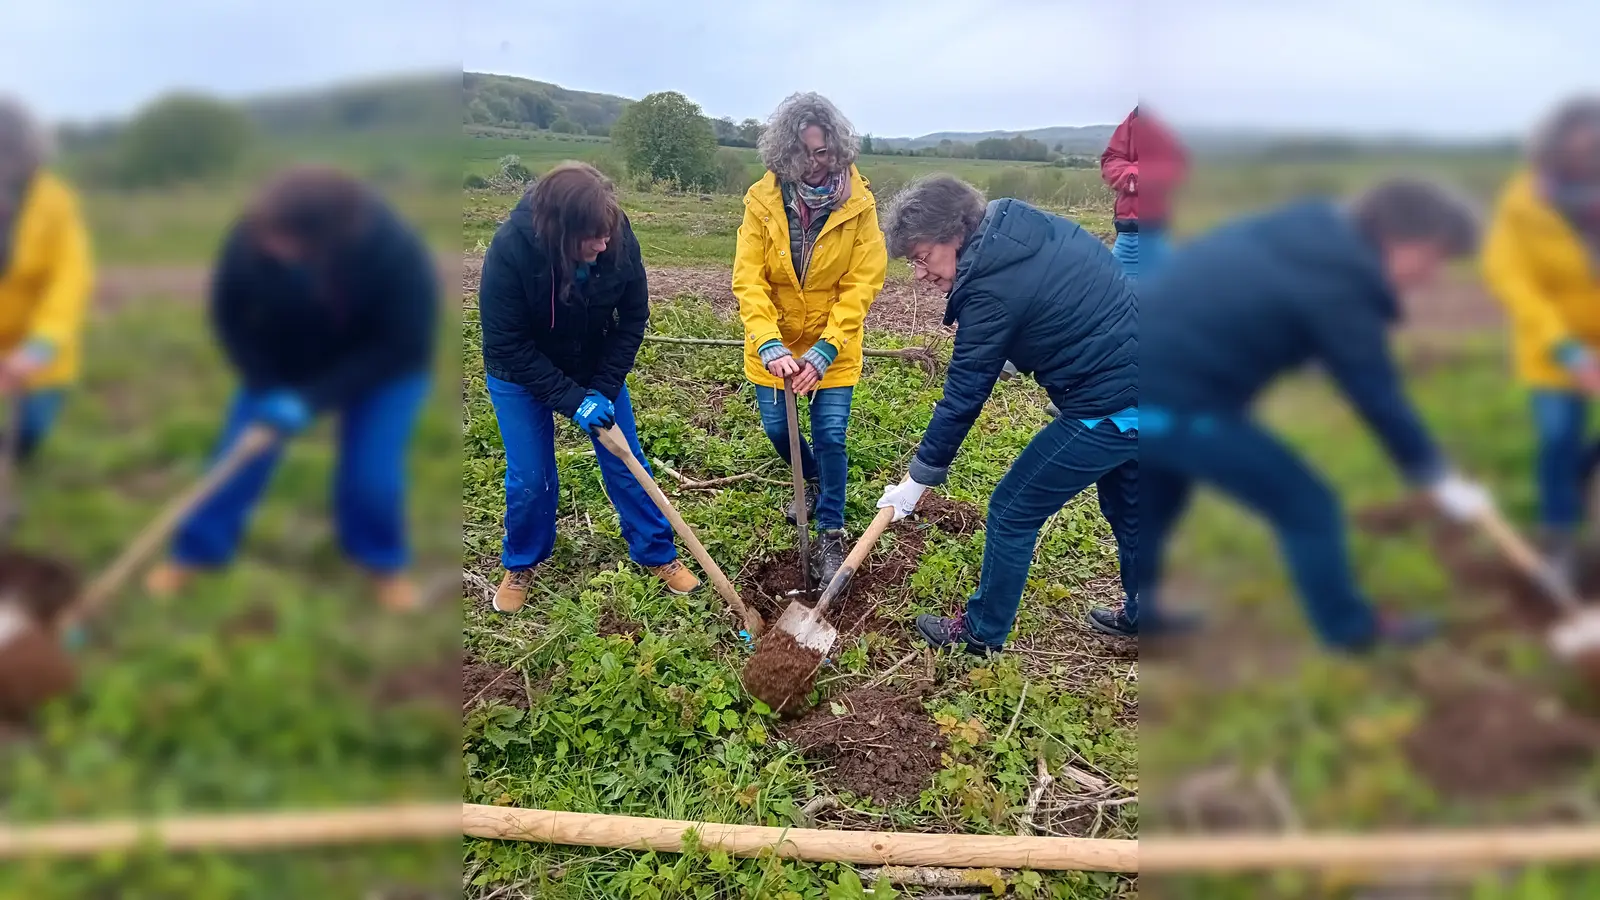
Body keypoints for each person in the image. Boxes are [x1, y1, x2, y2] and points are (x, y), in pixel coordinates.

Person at [1110, 178, 1494, 651]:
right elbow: (1377, 393)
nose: (1431, 274)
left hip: (1121, 371)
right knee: (1308, 506)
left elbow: (1252, 295)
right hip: (1175, 397)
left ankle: (1141, 615)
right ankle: (1351, 631)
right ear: (1399, 237)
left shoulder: (1308, 232)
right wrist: (1436, 475)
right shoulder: (1340, 281)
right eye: (1434, 257)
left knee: (1159, 493)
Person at [144, 167, 437, 611]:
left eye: (284, 240)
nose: (269, 248)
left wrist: (316, 399)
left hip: (383, 370)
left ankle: (383, 565)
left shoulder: (390, 250)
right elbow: (230, 320)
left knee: (371, 477)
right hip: (288, 367)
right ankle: (196, 552)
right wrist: (266, 384)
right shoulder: (252, 237)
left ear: (328, 237)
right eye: (267, 235)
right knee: (237, 456)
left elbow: (401, 344)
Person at [875, 175, 1137, 656]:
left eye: (921, 256)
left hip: (1110, 406)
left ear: (955, 233)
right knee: (1131, 508)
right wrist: (1015, 352)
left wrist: (916, 482)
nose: (919, 273)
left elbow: (963, 396)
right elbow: (1057, 299)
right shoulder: (1022, 229)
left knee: (1013, 510)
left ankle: (980, 635)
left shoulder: (989, 288)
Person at [478, 161, 699, 613]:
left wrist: (601, 387)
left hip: (591, 362)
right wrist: (572, 402)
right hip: (518, 373)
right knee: (530, 476)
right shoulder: (511, 249)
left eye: (607, 232)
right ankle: (521, 562)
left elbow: (633, 318)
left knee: (626, 459)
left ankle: (656, 553)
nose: (603, 244)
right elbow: (508, 343)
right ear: (559, 232)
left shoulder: (615, 235)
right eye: (591, 237)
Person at [734, 92, 887, 587]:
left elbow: (862, 282)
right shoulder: (761, 202)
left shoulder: (859, 205)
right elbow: (749, 279)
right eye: (804, 153)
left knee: (831, 433)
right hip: (774, 345)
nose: (815, 164)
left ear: (838, 150)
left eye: (824, 153)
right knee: (779, 429)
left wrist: (826, 349)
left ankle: (830, 531)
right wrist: (767, 342)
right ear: (786, 152)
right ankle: (819, 481)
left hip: (832, 345)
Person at [1482, 96, 1600, 585]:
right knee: (1556, 436)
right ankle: (1559, 541)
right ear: (1553, 150)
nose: (1589, 162)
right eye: (1580, 152)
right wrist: (1570, 351)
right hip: (1552, 347)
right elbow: (1512, 281)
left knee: (1576, 453)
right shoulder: (1522, 205)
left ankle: (1581, 475)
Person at [0, 98, 91, 467]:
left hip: (39, 337)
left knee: (34, 425)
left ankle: (16, 457)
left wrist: (40, 345)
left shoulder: (55, 202)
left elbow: (69, 278)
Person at [1101, 104, 1187, 280]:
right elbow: (1110, 161)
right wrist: (1132, 177)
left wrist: (1137, 174)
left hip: (1154, 231)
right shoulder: (1132, 119)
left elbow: (1175, 165)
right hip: (1127, 232)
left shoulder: (1164, 124)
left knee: (1162, 291)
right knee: (1118, 291)